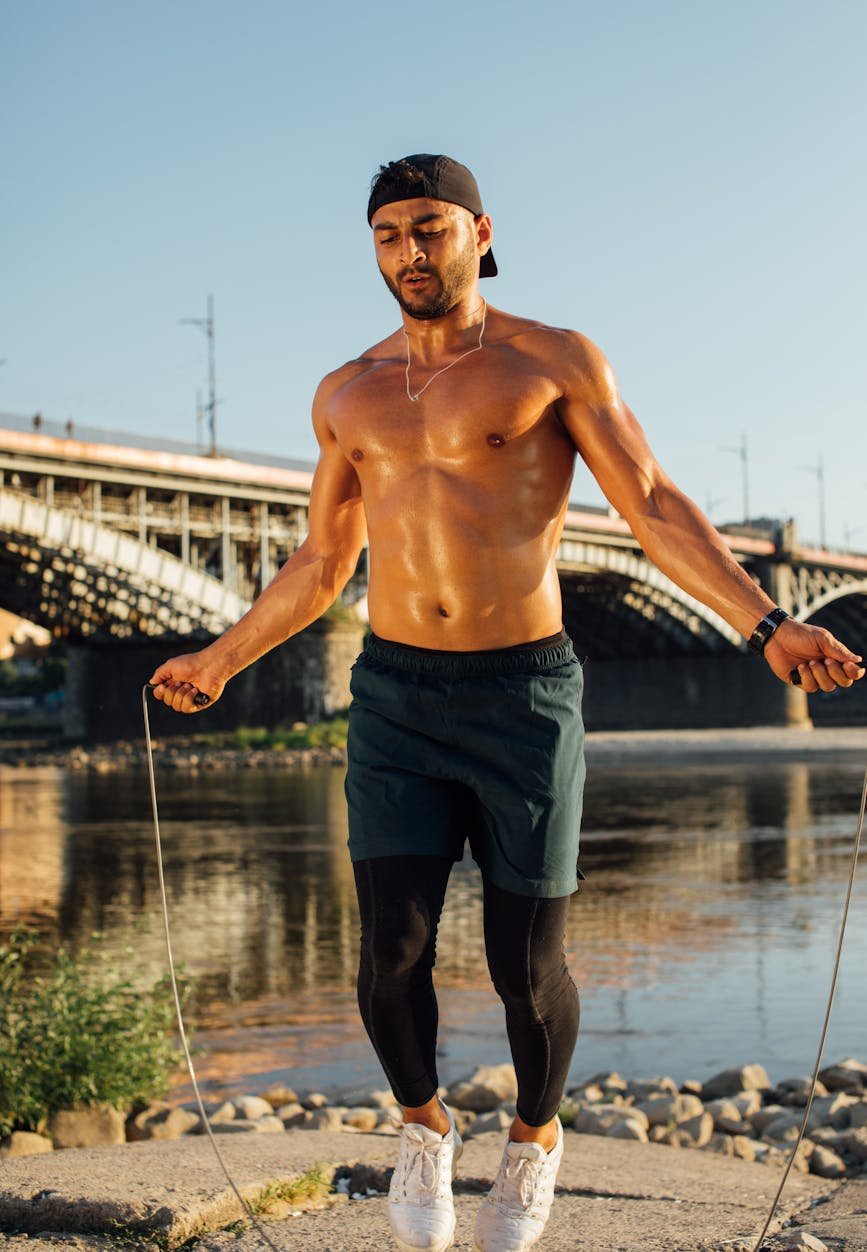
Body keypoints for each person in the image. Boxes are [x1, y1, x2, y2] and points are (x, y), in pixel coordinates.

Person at [150, 154, 864, 1252]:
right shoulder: (346, 391)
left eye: (429, 228)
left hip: (523, 691)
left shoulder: (553, 359)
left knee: (524, 964)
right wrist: (223, 655)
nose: (409, 252)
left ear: (481, 232)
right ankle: (424, 1128)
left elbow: (655, 506)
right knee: (390, 948)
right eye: (388, 235)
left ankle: (534, 1138)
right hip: (394, 692)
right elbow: (321, 560)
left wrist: (766, 625)